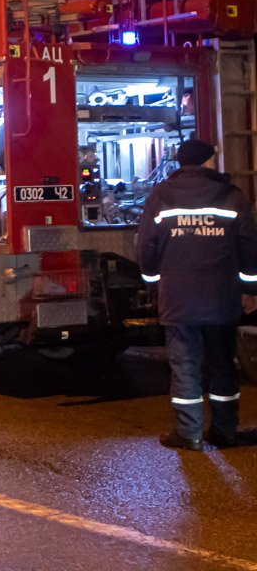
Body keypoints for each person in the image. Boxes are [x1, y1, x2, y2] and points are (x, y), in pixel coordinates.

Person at [137, 138, 257, 451]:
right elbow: (248, 248)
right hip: (221, 296)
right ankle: (225, 430)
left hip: (178, 296)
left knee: (185, 363)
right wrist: (249, 290)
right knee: (222, 363)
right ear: (206, 162)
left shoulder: (161, 195)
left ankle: (189, 433)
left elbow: (146, 244)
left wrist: (152, 282)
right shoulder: (232, 196)